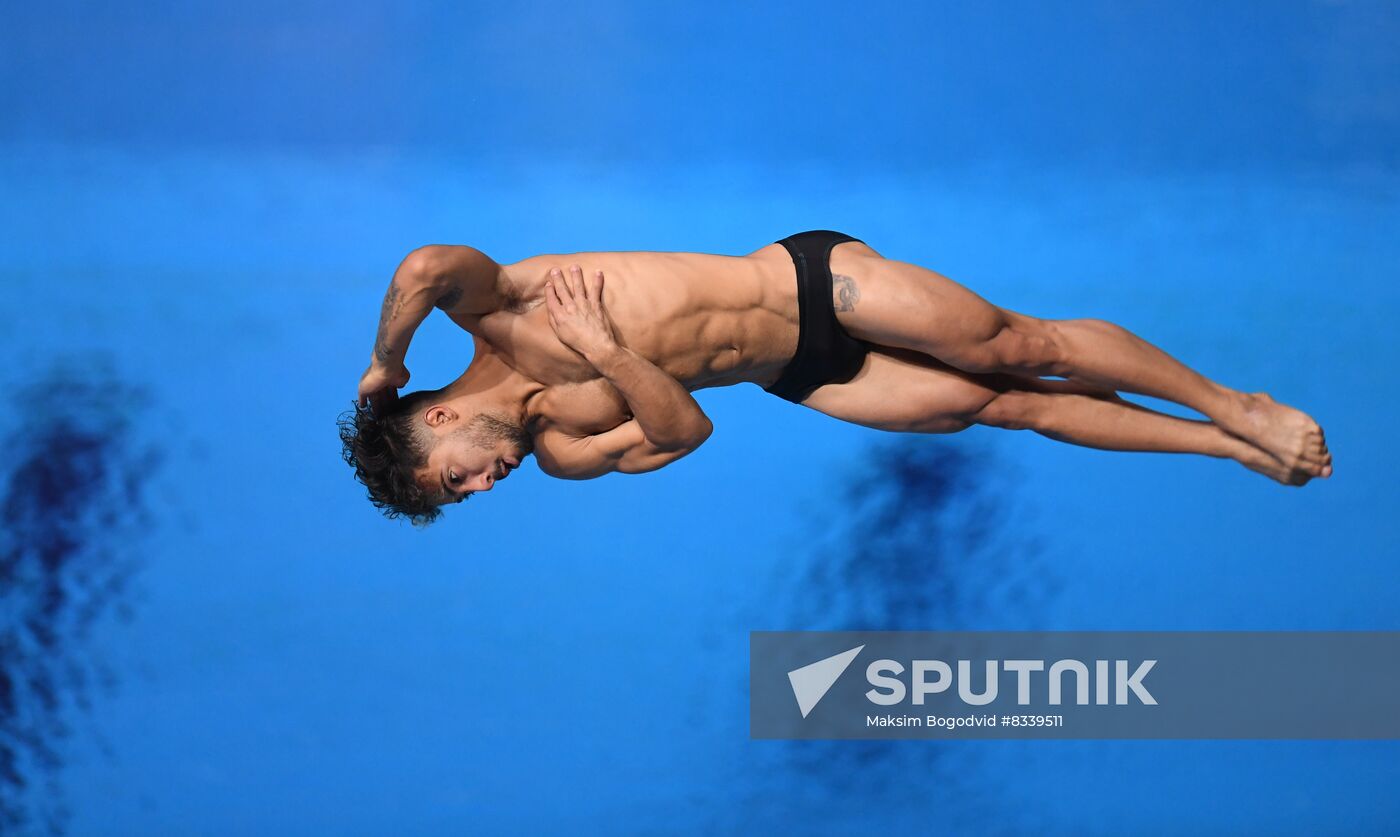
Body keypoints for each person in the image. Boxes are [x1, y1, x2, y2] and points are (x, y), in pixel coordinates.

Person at [340, 230, 1331, 525]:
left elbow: (423, 267)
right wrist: (608, 356)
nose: (484, 484)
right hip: (799, 373)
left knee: (1020, 350)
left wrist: (385, 359)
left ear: (430, 417)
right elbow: (686, 433)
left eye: (455, 474)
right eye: (464, 495)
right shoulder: (560, 450)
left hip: (815, 282)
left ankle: (1228, 402)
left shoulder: (498, 308)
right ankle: (1227, 445)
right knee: (1006, 409)